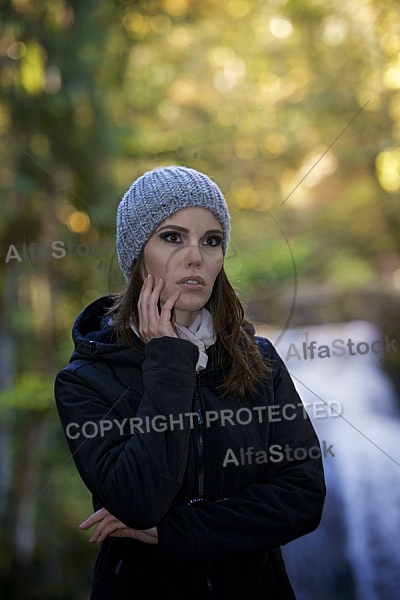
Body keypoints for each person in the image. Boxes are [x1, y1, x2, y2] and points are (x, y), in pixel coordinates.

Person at [54, 166, 325, 600]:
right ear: (137, 252)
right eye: (173, 237)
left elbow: (303, 497)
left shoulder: (261, 362)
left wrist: (175, 530)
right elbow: (138, 501)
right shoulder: (87, 379)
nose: (196, 256)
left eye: (211, 240)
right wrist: (167, 363)